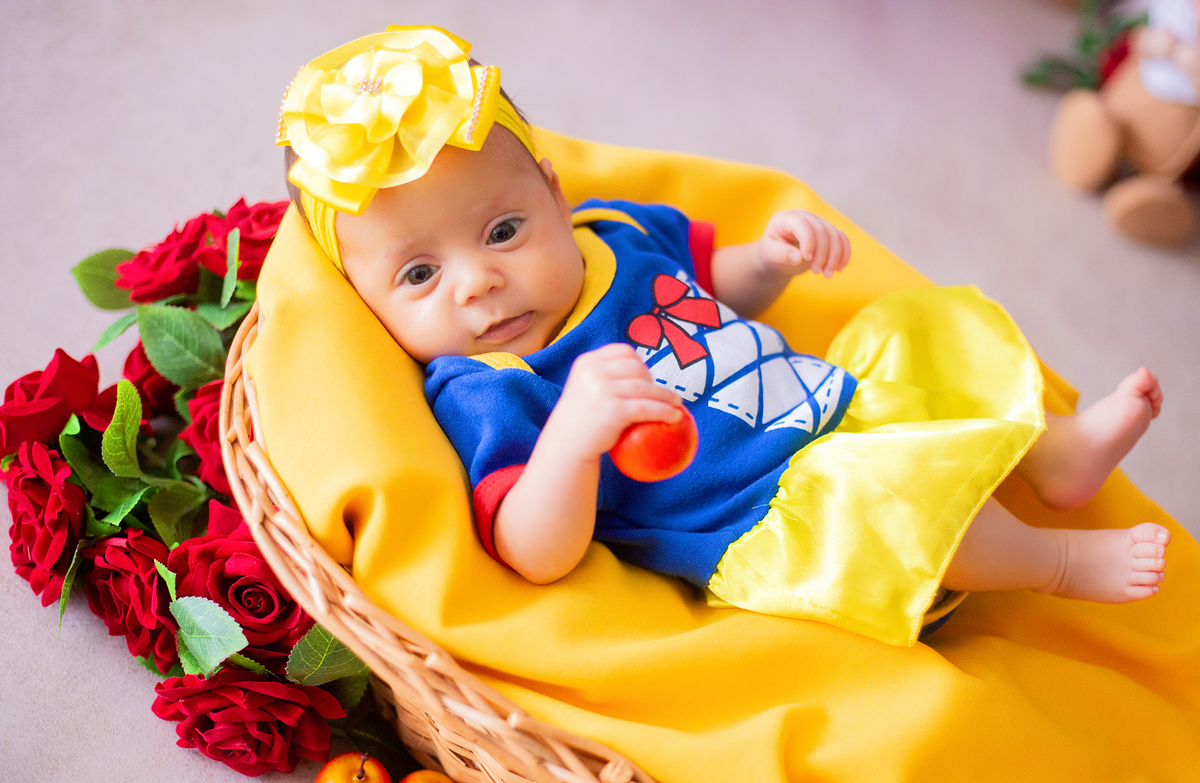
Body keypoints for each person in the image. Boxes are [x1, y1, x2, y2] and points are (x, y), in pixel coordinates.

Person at [277, 25, 1169, 646]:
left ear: (552, 194)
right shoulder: (491, 385)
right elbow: (529, 551)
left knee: (913, 349)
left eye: (502, 230)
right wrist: (574, 440)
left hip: (827, 403)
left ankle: (1050, 457)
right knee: (896, 497)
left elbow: (718, 279)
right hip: (777, 519)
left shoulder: (614, 237)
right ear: (366, 301)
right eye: (419, 276)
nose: (479, 281)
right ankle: (1054, 562)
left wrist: (770, 260)